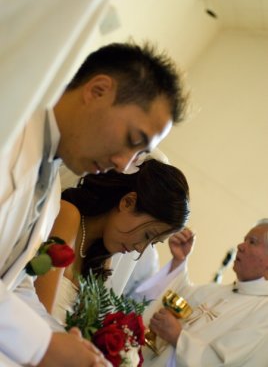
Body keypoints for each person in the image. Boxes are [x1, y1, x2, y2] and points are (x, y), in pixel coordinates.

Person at [0, 41, 188, 366]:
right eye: (132, 140)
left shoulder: (50, 190)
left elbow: (15, 284)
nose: (122, 164)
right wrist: (42, 345)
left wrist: (69, 346)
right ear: (98, 90)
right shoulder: (8, 132)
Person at [35, 158, 190, 323]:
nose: (140, 248)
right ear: (127, 202)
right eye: (147, 235)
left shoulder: (102, 259)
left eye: (151, 243)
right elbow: (38, 313)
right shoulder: (68, 215)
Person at [135, 221, 268, 367]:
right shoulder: (219, 291)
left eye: (252, 242)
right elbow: (178, 296)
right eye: (245, 240)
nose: (240, 246)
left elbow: (226, 362)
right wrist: (179, 260)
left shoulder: (263, 312)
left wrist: (178, 337)